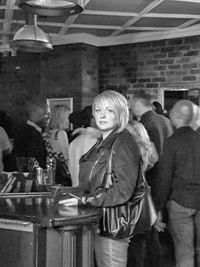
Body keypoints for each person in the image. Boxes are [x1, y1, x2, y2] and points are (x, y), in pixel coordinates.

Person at [60, 90, 141, 267]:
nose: (102, 115)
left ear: (120, 113)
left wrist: (86, 200)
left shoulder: (122, 142)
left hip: (113, 223)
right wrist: (66, 193)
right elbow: (91, 182)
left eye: (109, 110)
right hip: (101, 219)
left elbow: (123, 190)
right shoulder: (104, 140)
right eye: (98, 110)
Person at [154, 100, 200, 267]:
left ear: (177, 116)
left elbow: (164, 178)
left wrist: (157, 207)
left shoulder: (172, 142)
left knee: (184, 253)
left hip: (180, 202)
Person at [68, 106, 101, 186]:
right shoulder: (93, 141)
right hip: (91, 194)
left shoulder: (75, 141)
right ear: (93, 121)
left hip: (77, 191)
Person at [14, 99, 47, 170]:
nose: (44, 117)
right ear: (32, 114)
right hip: (31, 173)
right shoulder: (32, 133)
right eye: (40, 115)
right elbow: (34, 157)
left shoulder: (23, 129)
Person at [43, 105, 71, 186]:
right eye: (67, 118)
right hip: (62, 176)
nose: (69, 121)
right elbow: (67, 158)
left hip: (51, 174)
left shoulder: (47, 133)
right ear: (60, 119)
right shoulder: (61, 133)